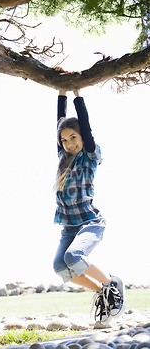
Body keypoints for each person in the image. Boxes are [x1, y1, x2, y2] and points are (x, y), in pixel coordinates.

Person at [53, 88, 125, 324]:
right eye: (64, 140)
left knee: (74, 256)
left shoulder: (89, 155)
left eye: (73, 137)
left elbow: (86, 125)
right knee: (60, 266)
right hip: (69, 227)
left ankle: (112, 285)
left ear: (83, 137)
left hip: (90, 222)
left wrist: (76, 95)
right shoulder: (62, 159)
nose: (68, 143)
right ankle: (102, 292)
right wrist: (60, 93)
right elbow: (58, 123)